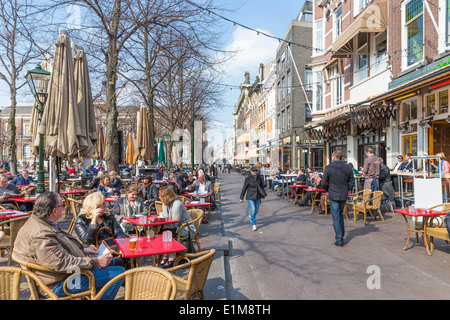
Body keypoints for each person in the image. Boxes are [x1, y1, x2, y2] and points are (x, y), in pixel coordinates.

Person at [13, 192, 125, 300]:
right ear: (55, 211)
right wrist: (95, 262)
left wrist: (84, 250)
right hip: (58, 284)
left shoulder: (40, 222)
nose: (64, 207)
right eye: (63, 205)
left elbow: (57, 251)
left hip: (59, 275)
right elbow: (63, 263)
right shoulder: (41, 235)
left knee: (114, 263)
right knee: (118, 273)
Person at [74, 192, 127, 267]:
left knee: (129, 256)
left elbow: (119, 233)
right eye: (103, 205)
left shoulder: (108, 216)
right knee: (119, 261)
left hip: (112, 247)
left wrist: (122, 247)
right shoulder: (81, 220)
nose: (106, 206)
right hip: (95, 251)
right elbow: (87, 240)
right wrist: (93, 221)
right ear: (94, 207)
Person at [321, 150, 355, 247]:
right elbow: (351, 183)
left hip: (333, 194)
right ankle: (341, 236)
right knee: (340, 215)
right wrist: (346, 189)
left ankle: (339, 239)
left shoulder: (329, 167)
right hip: (343, 194)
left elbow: (323, 183)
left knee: (336, 216)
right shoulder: (348, 167)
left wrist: (328, 189)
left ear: (334, 157)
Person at [158, 186, 195, 268]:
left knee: (167, 232)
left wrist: (161, 224)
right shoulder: (165, 204)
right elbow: (166, 218)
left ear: (165, 197)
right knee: (161, 232)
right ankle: (166, 254)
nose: (159, 198)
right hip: (174, 227)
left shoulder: (177, 205)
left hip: (185, 228)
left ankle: (171, 256)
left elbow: (175, 223)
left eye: (160, 196)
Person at [239, 166, 267, 231]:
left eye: (256, 171)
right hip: (250, 196)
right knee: (253, 209)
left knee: (256, 209)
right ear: (251, 171)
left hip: (258, 196)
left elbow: (261, 187)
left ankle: (251, 216)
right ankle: (254, 225)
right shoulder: (248, 179)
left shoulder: (259, 177)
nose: (255, 172)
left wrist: (264, 194)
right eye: (253, 171)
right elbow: (244, 188)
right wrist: (241, 197)